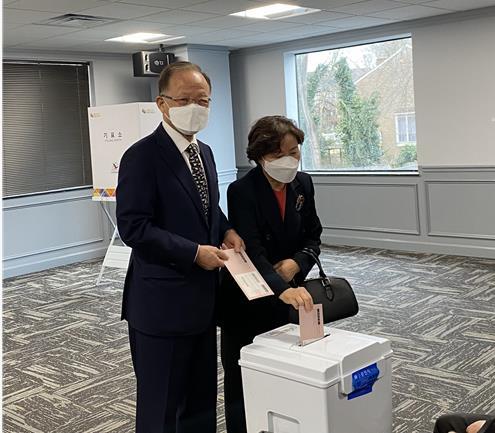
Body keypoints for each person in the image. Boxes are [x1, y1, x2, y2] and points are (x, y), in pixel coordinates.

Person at [116, 61, 244, 433]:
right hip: (161, 307)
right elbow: (134, 227)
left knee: (201, 404)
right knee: (162, 408)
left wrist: (227, 229)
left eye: (203, 100)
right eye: (185, 99)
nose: (196, 107)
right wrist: (193, 252)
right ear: (162, 103)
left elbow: (205, 208)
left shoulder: (203, 151)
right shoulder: (142, 157)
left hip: (203, 304)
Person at [217, 115, 323, 433]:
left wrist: (298, 262)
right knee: (242, 375)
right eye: (278, 155)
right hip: (248, 299)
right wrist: (281, 287)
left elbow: (314, 235)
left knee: (285, 371)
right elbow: (250, 251)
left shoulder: (303, 184)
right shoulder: (242, 191)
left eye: (294, 152)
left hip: (290, 292)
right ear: (260, 155)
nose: (288, 161)